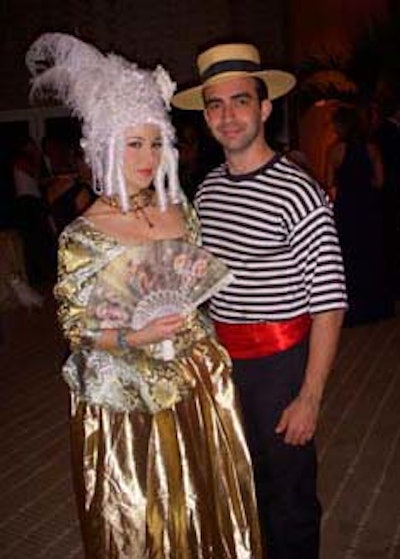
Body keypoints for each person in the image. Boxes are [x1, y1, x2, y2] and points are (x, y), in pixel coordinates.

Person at [26, 33, 262, 559]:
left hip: (197, 381)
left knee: (206, 505)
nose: (147, 157)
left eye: (155, 142)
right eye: (134, 144)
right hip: (126, 398)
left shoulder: (182, 211)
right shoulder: (84, 234)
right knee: (143, 517)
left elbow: (194, 284)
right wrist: (135, 334)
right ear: (106, 146)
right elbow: (75, 327)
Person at [172, 43, 348, 559]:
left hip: (279, 365)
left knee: (288, 495)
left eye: (240, 101)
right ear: (205, 116)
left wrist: (310, 395)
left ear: (264, 108)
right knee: (239, 485)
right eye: (216, 105)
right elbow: (205, 282)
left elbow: (330, 301)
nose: (228, 116)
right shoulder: (206, 192)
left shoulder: (299, 192)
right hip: (222, 363)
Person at [325, 105, 392, 325]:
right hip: (368, 207)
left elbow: (328, 183)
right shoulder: (371, 148)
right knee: (371, 255)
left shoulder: (334, 150)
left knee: (349, 258)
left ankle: (354, 310)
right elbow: (380, 181)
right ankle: (376, 306)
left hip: (347, 208)